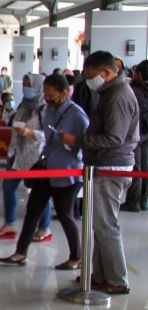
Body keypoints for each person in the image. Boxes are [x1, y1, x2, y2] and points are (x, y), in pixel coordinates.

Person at [59, 51, 140, 294]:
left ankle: (116, 280)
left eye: (91, 76)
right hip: (103, 165)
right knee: (98, 224)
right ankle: (100, 275)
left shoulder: (118, 96)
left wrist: (79, 140)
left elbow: (114, 138)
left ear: (105, 73)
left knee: (106, 225)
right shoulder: (110, 93)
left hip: (111, 166)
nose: (88, 81)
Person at [0, 74, 88, 269]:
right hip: (47, 168)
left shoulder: (77, 115)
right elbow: (47, 139)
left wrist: (73, 142)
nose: (47, 99)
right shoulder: (50, 111)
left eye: (51, 95)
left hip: (67, 172)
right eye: (45, 94)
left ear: (64, 93)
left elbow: (87, 145)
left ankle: (76, 257)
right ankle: (20, 253)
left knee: (65, 214)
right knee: (33, 210)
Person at [0, 74, 52, 240]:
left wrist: (30, 133)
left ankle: (44, 227)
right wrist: (10, 152)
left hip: (36, 155)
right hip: (18, 155)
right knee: (8, 186)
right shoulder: (23, 106)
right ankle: (9, 223)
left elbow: (50, 134)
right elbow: (15, 132)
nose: (26, 88)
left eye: (29, 85)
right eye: (24, 84)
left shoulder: (45, 108)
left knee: (39, 193)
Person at [120, 59, 148, 212]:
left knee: (136, 168)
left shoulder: (133, 91)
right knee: (145, 167)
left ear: (140, 74)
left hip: (137, 133)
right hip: (147, 133)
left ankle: (133, 201)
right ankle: (144, 200)